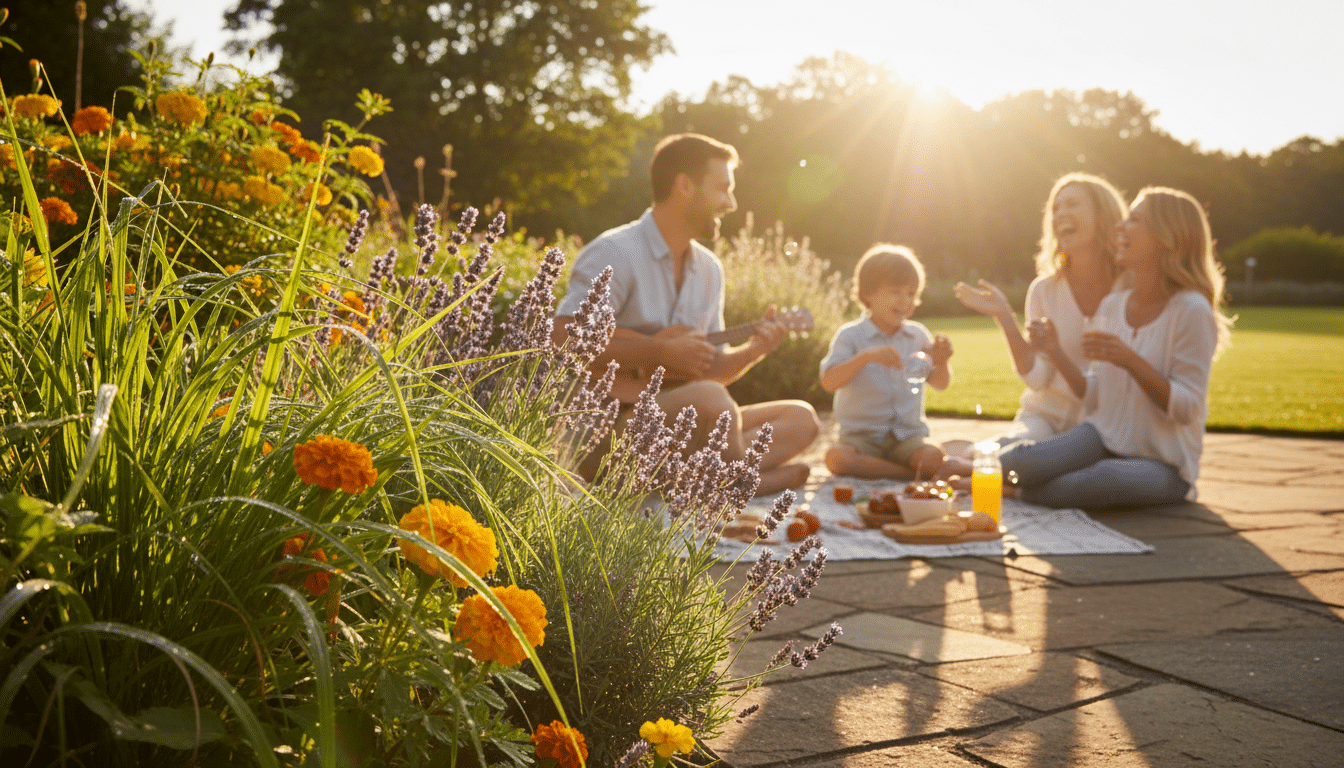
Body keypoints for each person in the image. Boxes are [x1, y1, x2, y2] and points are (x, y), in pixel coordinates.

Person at [553, 133, 820, 495]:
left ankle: (704, 479)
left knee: (800, 418)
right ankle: (738, 484)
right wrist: (655, 352)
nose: (731, 203)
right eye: (723, 188)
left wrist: (754, 351)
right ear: (685, 186)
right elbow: (562, 337)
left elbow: (706, 370)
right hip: (606, 433)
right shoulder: (616, 252)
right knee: (711, 401)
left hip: (678, 424)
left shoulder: (709, 269)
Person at [997, 186, 1232, 508]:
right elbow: (1092, 394)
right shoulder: (1113, 306)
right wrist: (1055, 351)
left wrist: (1131, 361)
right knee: (1021, 462)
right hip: (1103, 437)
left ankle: (1015, 491)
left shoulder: (1191, 311)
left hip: (1162, 461)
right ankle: (978, 472)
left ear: (1166, 236)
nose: (1120, 227)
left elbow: (1188, 407)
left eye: (1134, 220)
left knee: (1100, 480)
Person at [954, 173, 1129, 442]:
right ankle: (972, 460)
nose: (1060, 214)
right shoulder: (1044, 290)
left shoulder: (1131, 290)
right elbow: (1038, 380)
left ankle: (970, 459)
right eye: (1055, 208)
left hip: (1108, 426)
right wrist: (1005, 317)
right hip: (1045, 418)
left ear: (1102, 213)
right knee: (1016, 450)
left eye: (1072, 204)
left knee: (1068, 474)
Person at [821, 244, 954, 480]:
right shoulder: (850, 336)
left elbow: (940, 383)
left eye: (911, 294)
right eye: (896, 292)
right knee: (836, 458)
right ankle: (904, 473)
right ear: (868, 294)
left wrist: (942, 362)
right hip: (861, 439)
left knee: (933, 456)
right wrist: (866, 357)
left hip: (908, 437)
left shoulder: (918, 335)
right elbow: (829, 381)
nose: (905, 301)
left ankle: (884, 469)